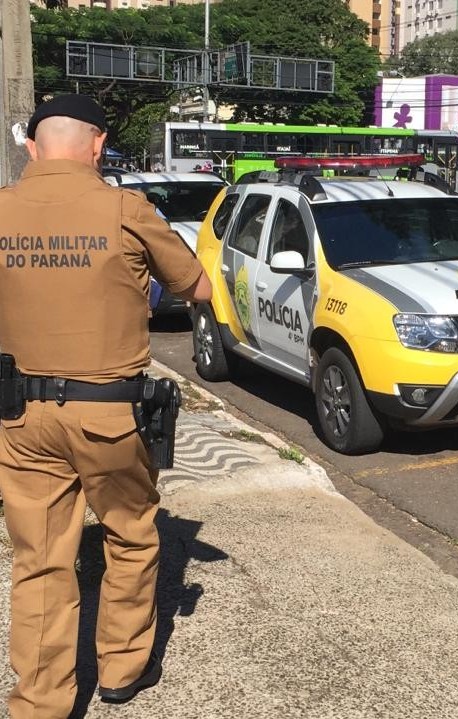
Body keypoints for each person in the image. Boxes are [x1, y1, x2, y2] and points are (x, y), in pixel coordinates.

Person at [0, 94, 212, 717]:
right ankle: (121, 669)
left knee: (39, 561)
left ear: (32, 147)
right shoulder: (125, 209)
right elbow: (196, 285)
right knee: (130, 535)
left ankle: (40, 702)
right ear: (97, 145)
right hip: (110, 414)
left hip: (19, 416)